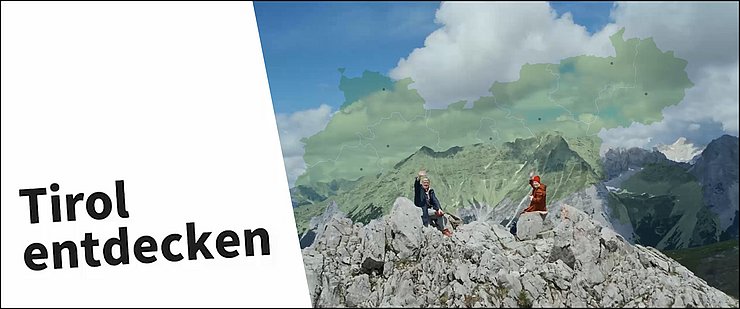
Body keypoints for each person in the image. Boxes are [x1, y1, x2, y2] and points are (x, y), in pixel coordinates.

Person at [414, 170, 452, 237]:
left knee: (440, 214)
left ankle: (444, 230)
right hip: (421, 209)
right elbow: (416, 184)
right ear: (422, 183)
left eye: (427, 182)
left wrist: (439, 208)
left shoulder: (430, 191)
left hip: (429, 210)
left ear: (429, 184)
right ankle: (437, 226)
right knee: (437, 213)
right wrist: (419, 177)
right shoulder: (419, 189)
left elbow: (435, 200)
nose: (426, 184)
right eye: (424, 182)